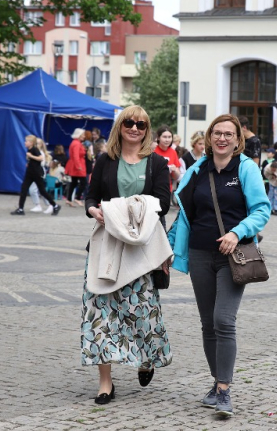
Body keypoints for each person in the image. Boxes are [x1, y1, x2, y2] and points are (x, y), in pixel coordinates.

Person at [167, 113, 270, 418]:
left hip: (232, 256)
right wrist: (170, 249)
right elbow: (185, 213)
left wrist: (237, 232)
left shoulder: (247, 169)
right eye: (217, 133)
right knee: (208, 324)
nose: (222, 138)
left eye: (229, 134)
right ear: (209, 138)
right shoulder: (198, 170)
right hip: (200, 253)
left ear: (238, 140)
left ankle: (224, 389)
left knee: (224, 320)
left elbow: (262, 209)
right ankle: (216, 382)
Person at [83, 105, 173, 404]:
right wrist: (93, 209)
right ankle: (105, 382)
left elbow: (162, 203)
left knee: (142, 312)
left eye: (142, 124)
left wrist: (164, 253)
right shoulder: (105, 160)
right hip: (106, 245)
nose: (135, 128)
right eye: (129, 123)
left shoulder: (157, 164)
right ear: (120, 127)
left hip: (141, 247)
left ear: (148, 130)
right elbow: (92, 195)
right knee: (100, 314)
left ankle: (146, 358)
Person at [11, 135, 61, 216]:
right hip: (30, 173)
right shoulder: (30, 149)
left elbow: (40, 158)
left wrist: (31, 156)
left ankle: (55, 205)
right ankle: (20, 208)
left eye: (26, 141)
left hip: (36, 173)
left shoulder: (34, 149)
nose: (25, 142)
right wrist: (29, 163)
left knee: (42, 191)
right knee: (24, 189)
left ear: (31, 143)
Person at [153, 126, 181, 192]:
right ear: (158, 137)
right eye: (164, 137)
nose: (167, 140)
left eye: (169, 137)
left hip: (167, 189)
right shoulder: (153, 151)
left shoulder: (173, 152)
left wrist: (175, 170)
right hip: (153, 188)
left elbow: (176, 177)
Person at [28, 138, 52, 212]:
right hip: (35, 172)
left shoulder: (40, 153)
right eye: (36, 143)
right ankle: (46, 205)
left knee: (33, 190)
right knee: (40, 190)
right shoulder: (35, 152)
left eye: (38, 143)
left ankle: (48, 205)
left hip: (39, 173)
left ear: (41, 145)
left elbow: (40, 163)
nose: (36, 145)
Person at [65, 128, 88, 207]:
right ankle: (77, 198)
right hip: (78, 165)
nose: (84, 136)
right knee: (84, 182)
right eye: (83, 135)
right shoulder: (77, 143)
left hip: (74, 164)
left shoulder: (75, 142)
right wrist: (78, 166)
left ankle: (69, 199)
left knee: (73, 182)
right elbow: (75, 155)